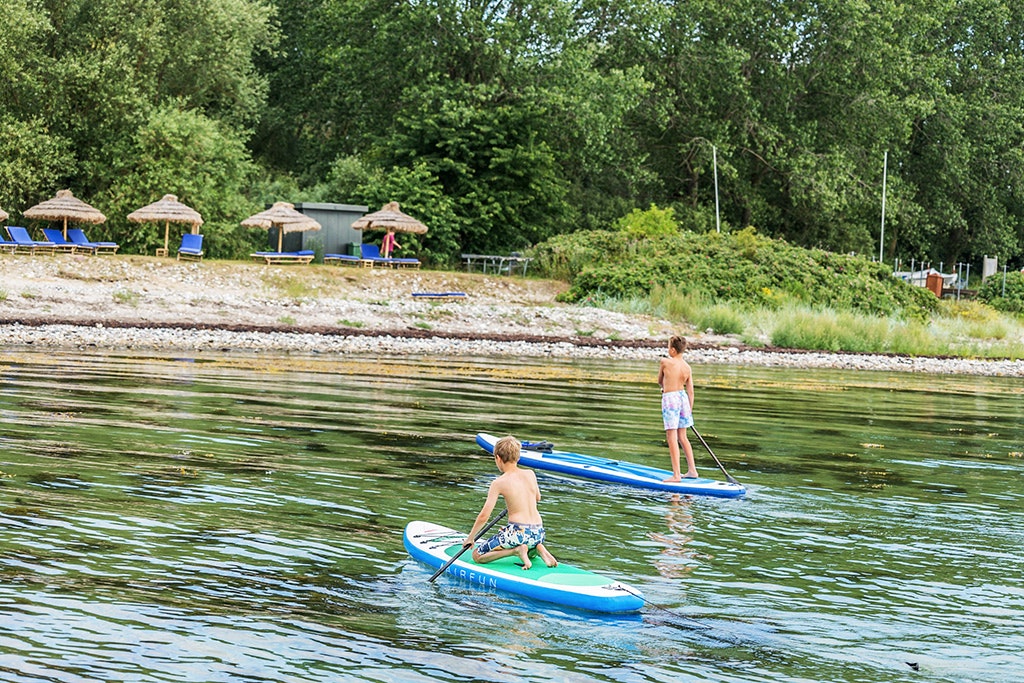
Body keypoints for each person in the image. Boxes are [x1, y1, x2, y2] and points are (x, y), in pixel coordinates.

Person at [464, 435, 558, 570]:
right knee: (527, 547)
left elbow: (484, 516)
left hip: (518, 533)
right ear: (518, 457)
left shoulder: (499, 482)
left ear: (497, 458)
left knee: (477, 556)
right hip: (538, 532)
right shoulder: (530, 474)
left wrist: (470, 538)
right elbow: (537, 498)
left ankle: (516, 551)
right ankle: (538, 548)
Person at [658, 335, 698, 481]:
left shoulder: (665, 362)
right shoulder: (687, 367)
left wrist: (664, 388)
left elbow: (659, 381)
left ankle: (676, 475)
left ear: (673, 350)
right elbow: (691, 391)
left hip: (671, 399)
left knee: (672, 437)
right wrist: (689, 412)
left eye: (669, 347)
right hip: (684, 400)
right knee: (683, 436)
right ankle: (692, 470)